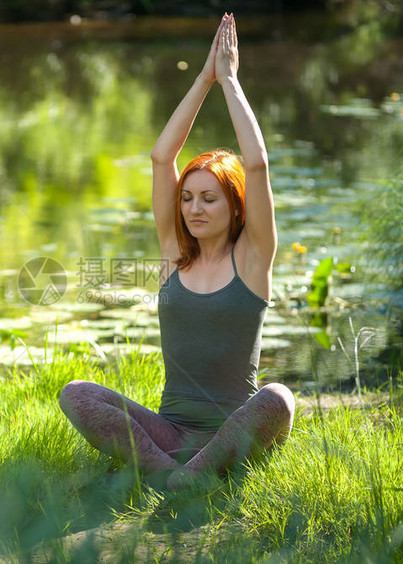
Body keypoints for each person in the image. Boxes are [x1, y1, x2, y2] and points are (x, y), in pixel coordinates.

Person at [58, 13, 295, 490]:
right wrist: (202, 79)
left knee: (279, 398)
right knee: (76, 394)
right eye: (187, 198)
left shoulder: (252, 259)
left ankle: (190, 474)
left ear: (235, 204)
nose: (194, 208)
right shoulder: (174, 256)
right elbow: (162, 157)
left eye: (209, 198)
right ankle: (177, 476)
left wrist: (229, 81)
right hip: (169, 433)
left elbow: (257, 163)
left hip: (232, 433)